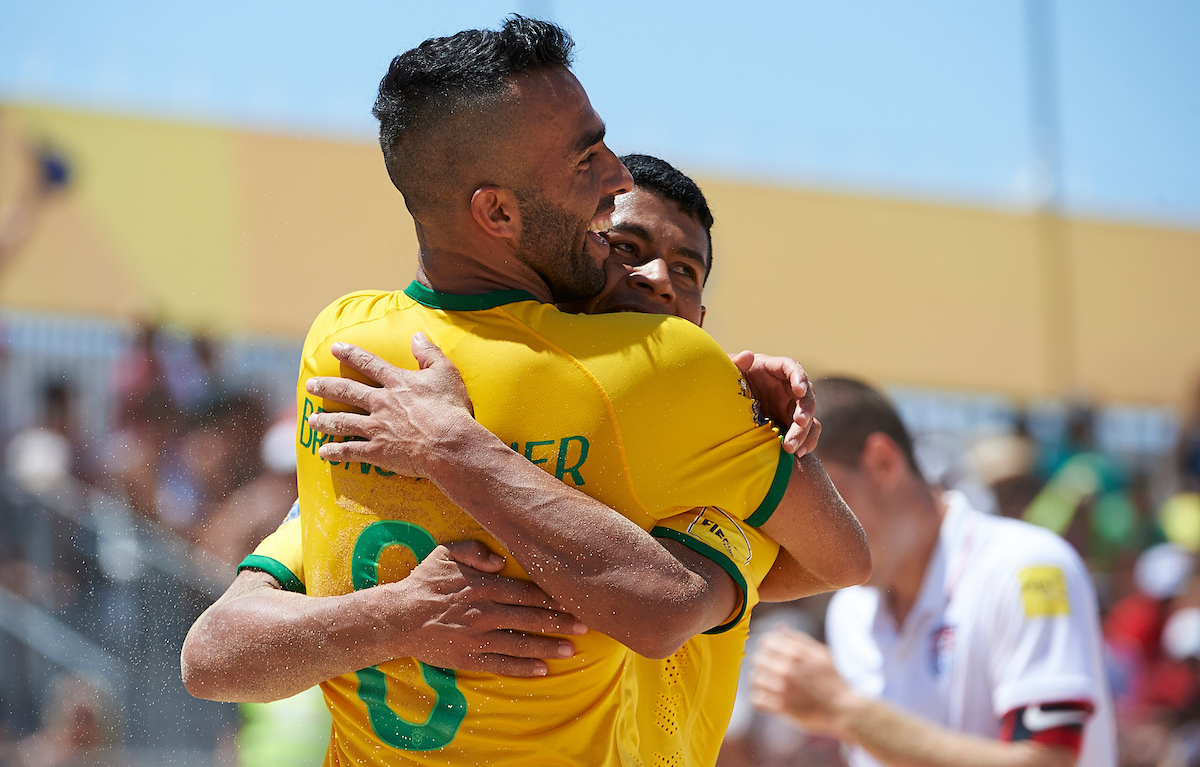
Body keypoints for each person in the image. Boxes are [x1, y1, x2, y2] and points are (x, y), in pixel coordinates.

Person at [185, 153, 821, 766]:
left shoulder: (701, 455)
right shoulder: (399, 433)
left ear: (701, 318)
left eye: (687, 271)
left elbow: (812, 565)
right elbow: (212, 657)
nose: (657, 279)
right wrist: (403, 615)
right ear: (577, 258)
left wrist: (758, 419)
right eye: (625, 248)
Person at [750, 377, 1117, 767]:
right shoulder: (850, 611)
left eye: (820, 496)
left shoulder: (1028, 566)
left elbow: (1047, 761)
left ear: (883, 463)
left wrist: (847, 711)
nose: (802, 526)